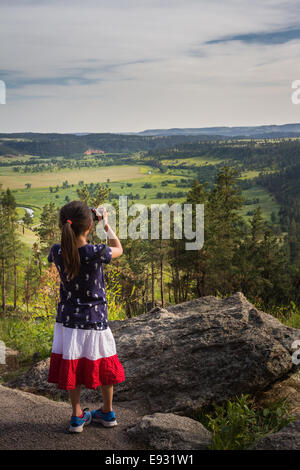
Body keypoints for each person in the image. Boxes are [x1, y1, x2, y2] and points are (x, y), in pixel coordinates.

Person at [47, 200, 125, 433]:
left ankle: (77, 416)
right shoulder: (95, 252)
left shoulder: (57, 251)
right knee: (105, 362)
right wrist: (107, 226)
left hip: (69, 321)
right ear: (89, 227)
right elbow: (119, 249)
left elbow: (65, 248)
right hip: (95, 320)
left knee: (74, 363)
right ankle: (107, 412)